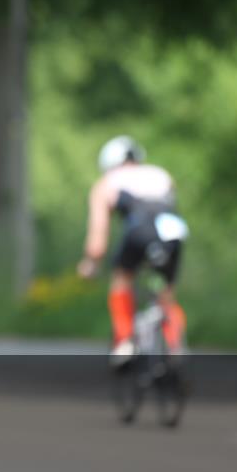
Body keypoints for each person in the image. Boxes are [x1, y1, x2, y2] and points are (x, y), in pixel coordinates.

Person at [77, 136, 189, 364]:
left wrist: (90, 264)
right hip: (173, 230)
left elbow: (98, 241)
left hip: (141, 230)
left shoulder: (106, 183)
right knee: (166, 293)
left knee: (122, 279)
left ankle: (125, 341)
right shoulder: (160, 174)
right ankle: (175, 346)